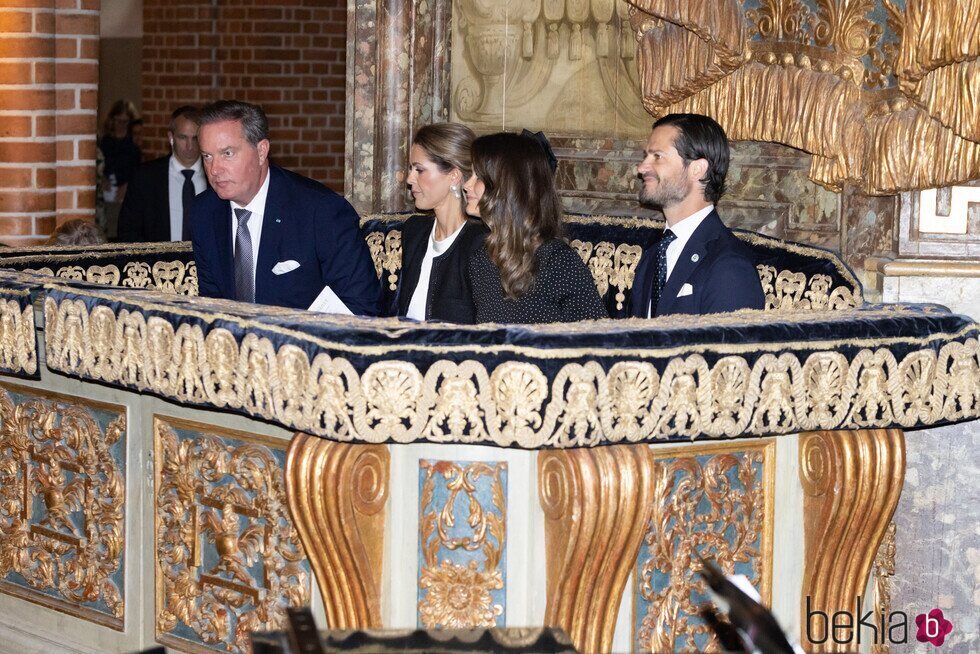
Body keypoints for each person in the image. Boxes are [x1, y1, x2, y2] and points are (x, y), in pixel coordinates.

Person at [190, 100, 379, 314]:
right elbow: (212, 305)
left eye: (227, 154)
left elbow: (362, 306)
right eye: (207, 156)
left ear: (261, 151)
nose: (214, 169)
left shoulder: (321, 211)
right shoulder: (204, 212)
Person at [628, 113, 764, 317]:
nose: (641, 168)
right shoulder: (653, 254)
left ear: (697, 169)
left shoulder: (729, 268)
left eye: (657, 156)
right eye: (645, 156)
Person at [463, 132, 607, 324]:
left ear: (507, 186)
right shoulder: (482, 258)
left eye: (477, 176)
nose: (466, 185)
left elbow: (597, 337)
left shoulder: (558, 262)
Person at [393, 123, 488, 323]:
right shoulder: (414, 231)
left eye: (419, 170)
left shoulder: (481, 242)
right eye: (411, 169)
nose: (410, 179)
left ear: (454, 176)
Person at [117, 106, 208, 243]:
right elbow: (128, 230)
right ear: (171, 137)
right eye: (183, 137)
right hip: (157, 262)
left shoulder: (216, 176)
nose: (190, 146)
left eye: (195, 138)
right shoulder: (145, 177)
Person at [98, 99, 142, 201]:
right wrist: (102, 180)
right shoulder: (105, 142)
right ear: (112, 120)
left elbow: (139, 169)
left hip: (127, 194)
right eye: (118, 121)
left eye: (125, 121)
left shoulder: (134, 143)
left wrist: (128, 185)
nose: (121, 125)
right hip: (106, 192)